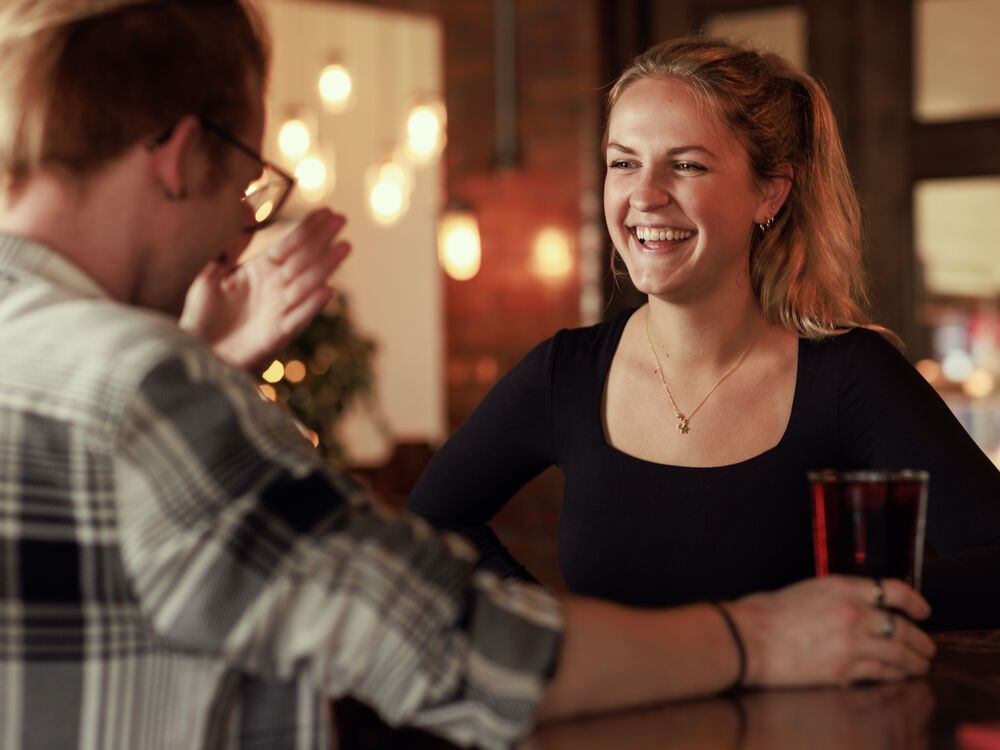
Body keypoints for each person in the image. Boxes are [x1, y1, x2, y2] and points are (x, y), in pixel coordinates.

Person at [0, 5, 935, 749]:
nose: (241, 231)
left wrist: (207, 366)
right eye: (245, 179)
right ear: (177, 159)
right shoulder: (144, 386)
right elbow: (438, 641)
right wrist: (766, 637)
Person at [407, 36, 1000, 631]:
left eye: (686, 164)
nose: (644, 194)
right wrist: (557, 639)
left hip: (795, 727)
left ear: (769, 191)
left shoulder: (849, 376)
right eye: (623, 162)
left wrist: (855, 609)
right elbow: (427, 529)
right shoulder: (565, 374)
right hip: (616, 724)